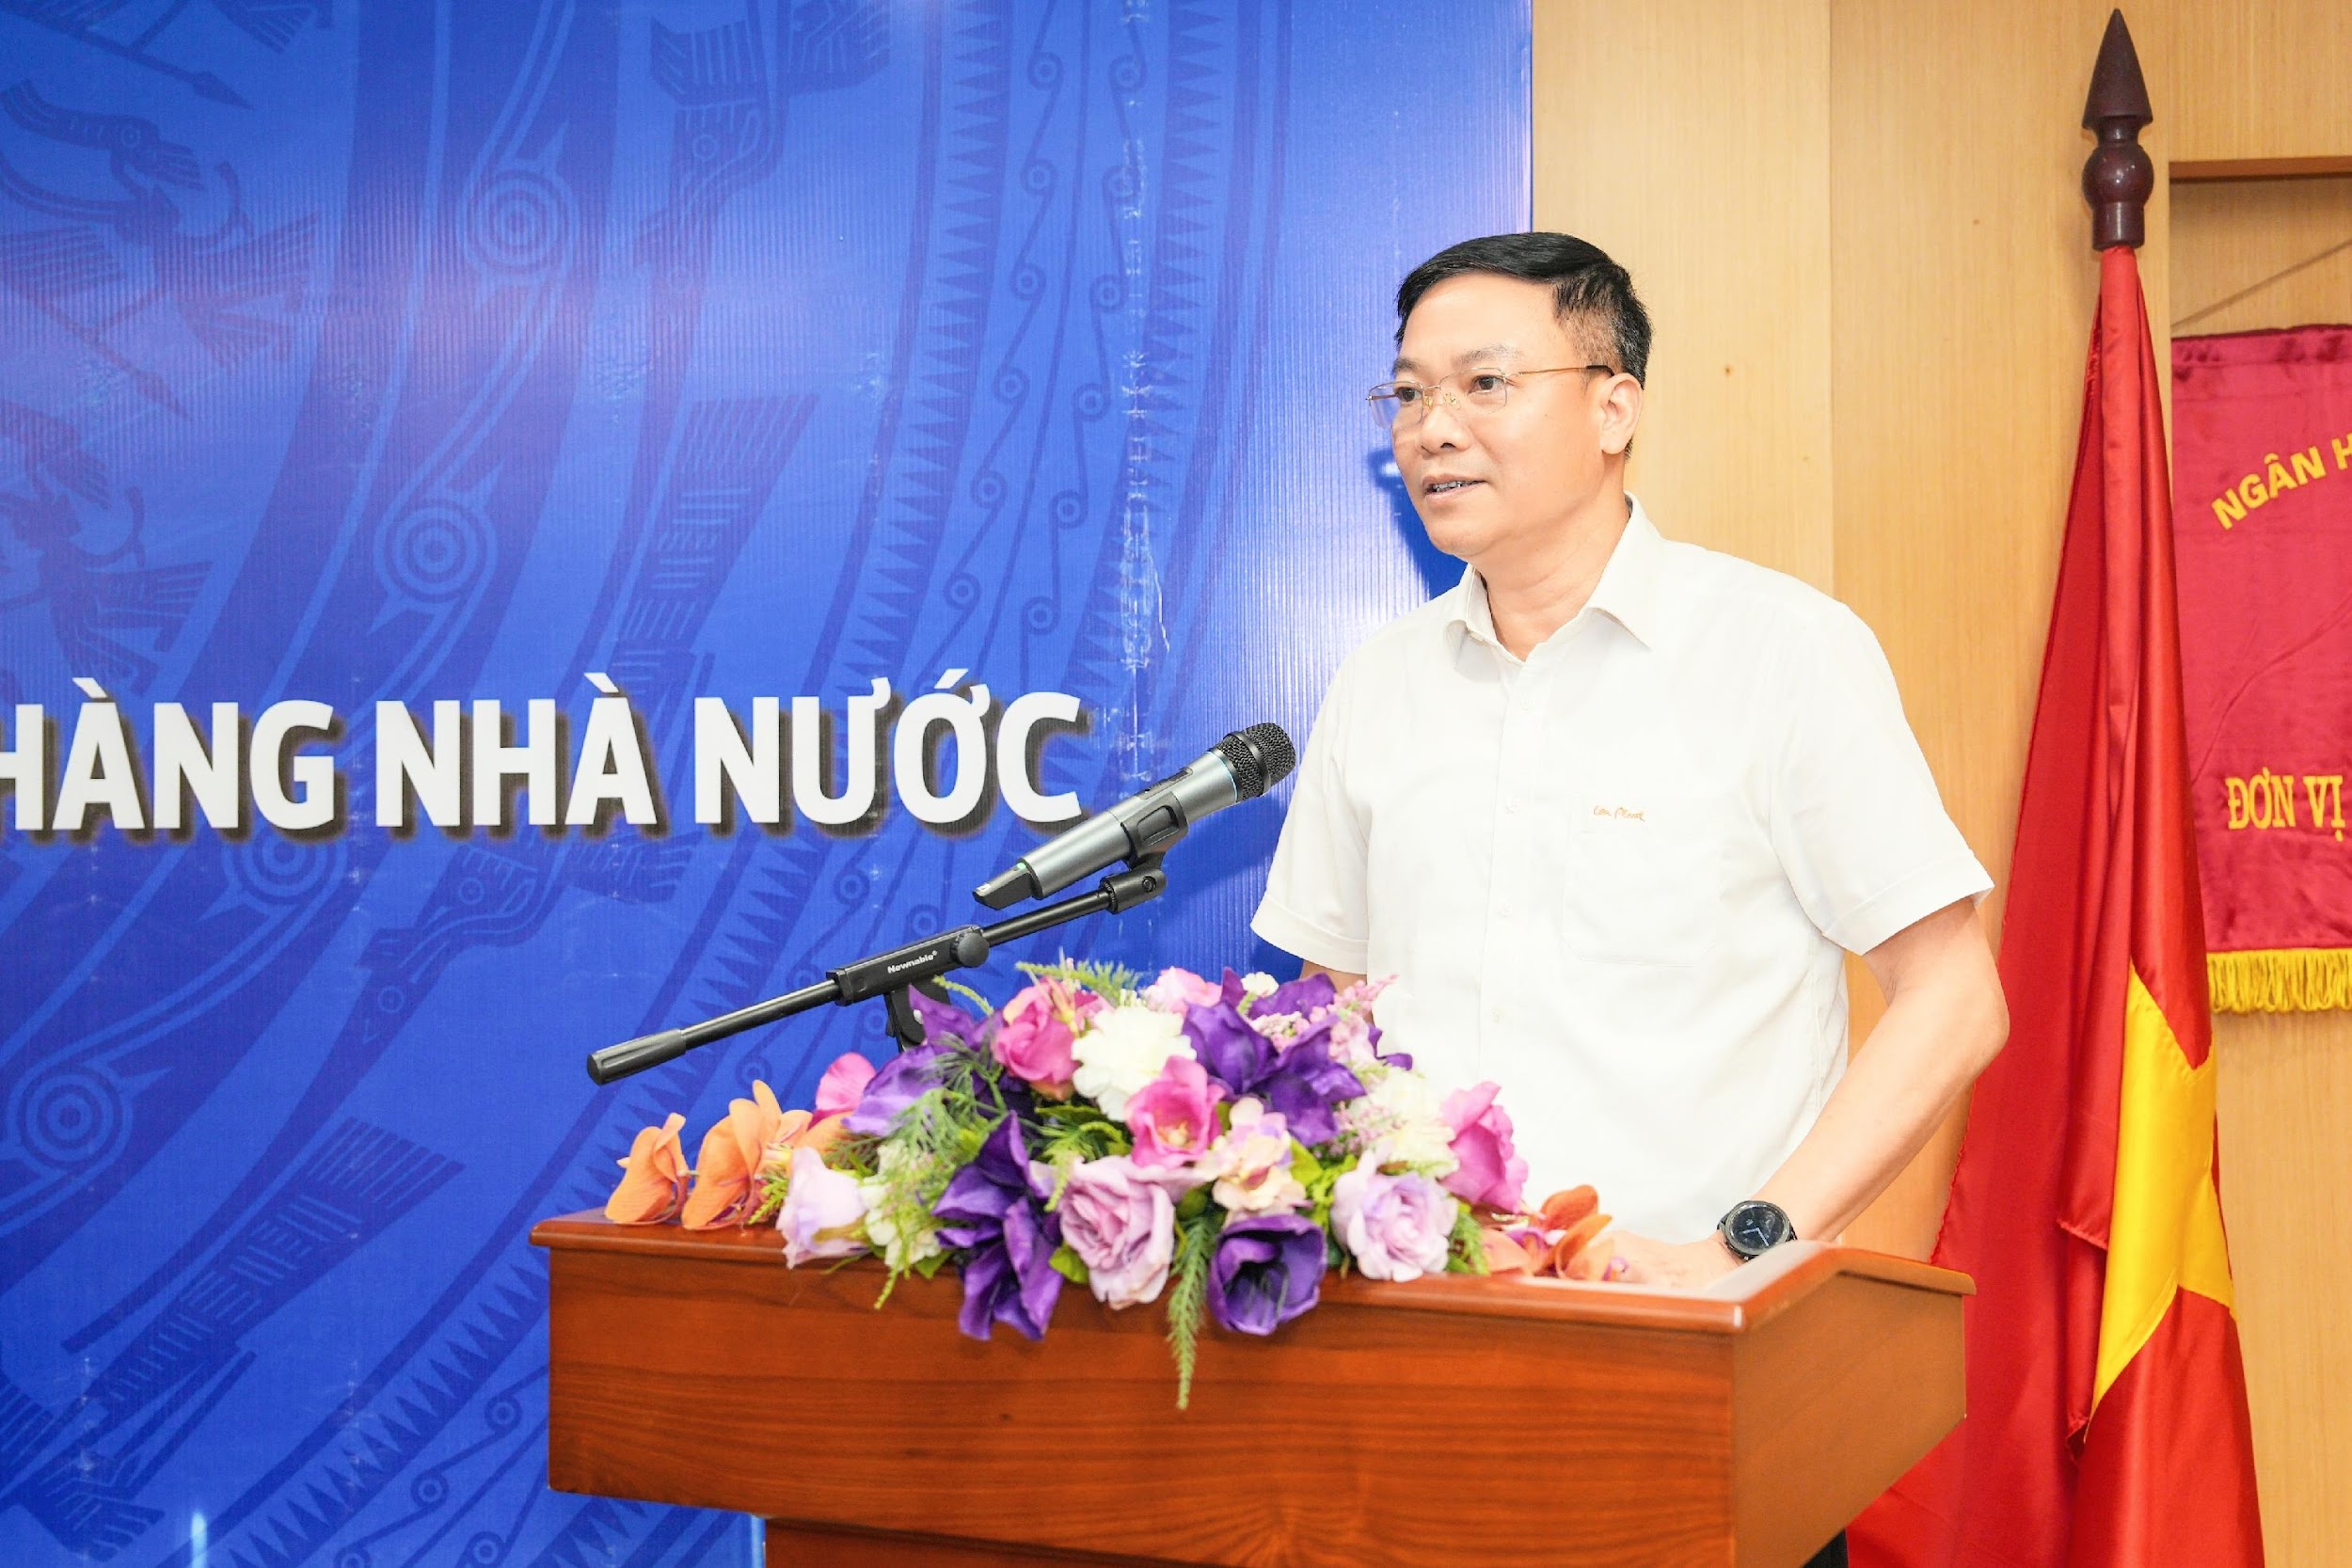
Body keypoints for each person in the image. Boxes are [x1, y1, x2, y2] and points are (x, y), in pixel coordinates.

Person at [1252, 232, 2009, 1295]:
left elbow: (1954, 996)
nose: (1434, 429)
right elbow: (1334, 1002)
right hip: (1422, 1316)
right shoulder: (1379, 682)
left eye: (1484, 384)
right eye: (1411, 394)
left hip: (1694, 1321)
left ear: (1614, 409)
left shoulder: (1778, 652)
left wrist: (1738, 1249)